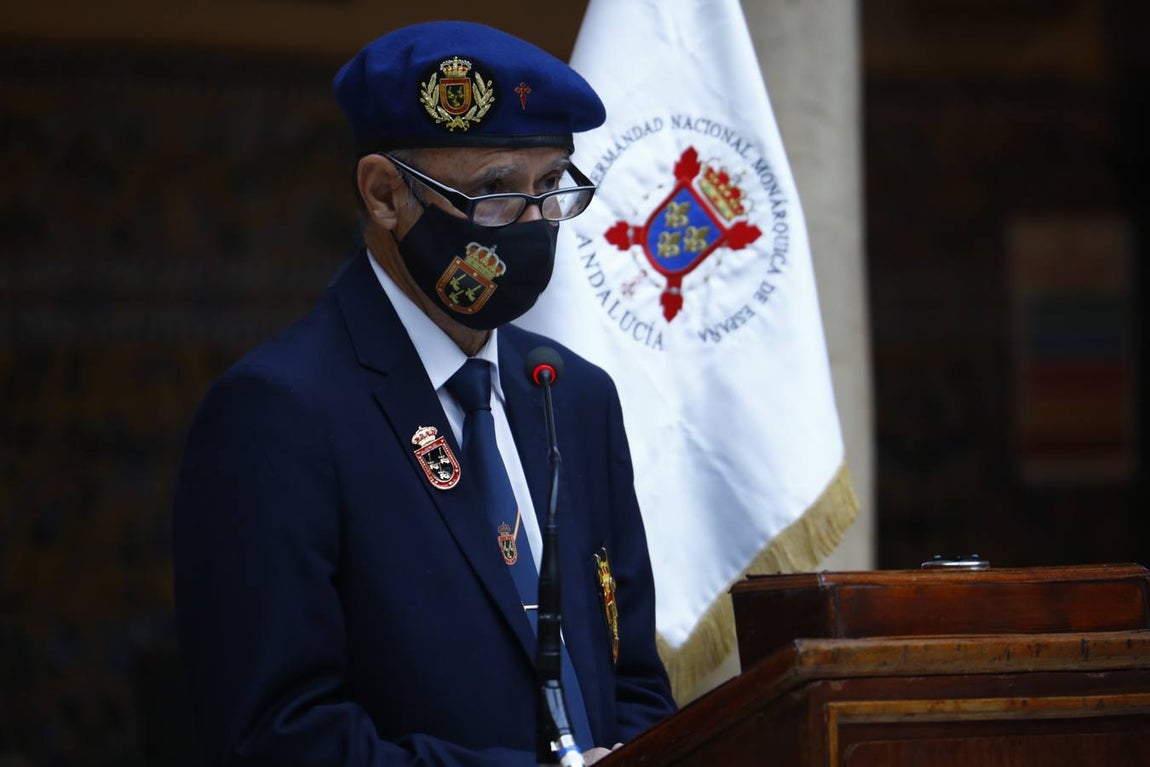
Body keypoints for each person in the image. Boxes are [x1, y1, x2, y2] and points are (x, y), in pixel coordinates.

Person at [172, 20, 676, 766]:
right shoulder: (280, 414)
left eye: (550, 187)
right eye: (496, 191)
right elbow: (279, 735)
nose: (534, 224)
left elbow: (632, 680)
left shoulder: (574, 395)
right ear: (384, 194)